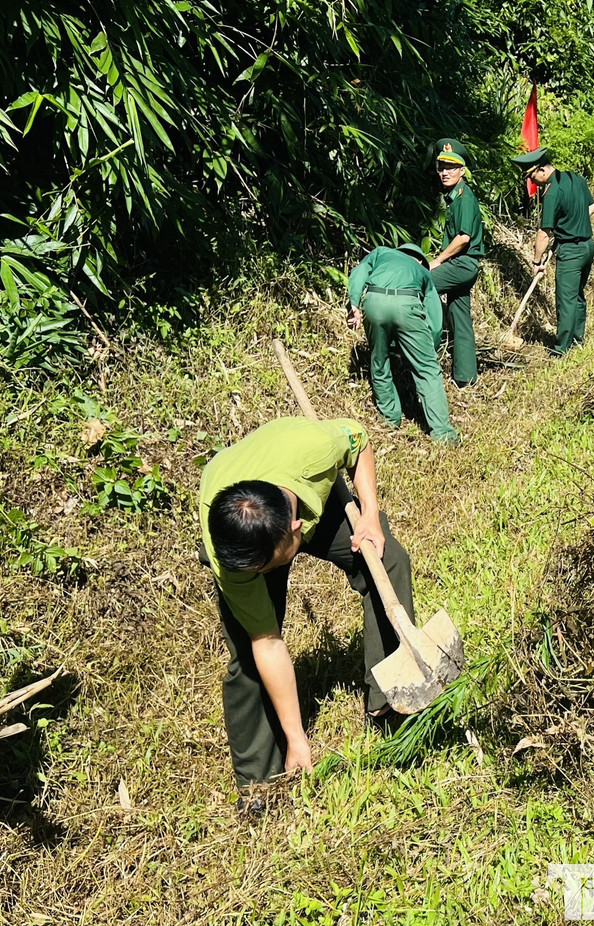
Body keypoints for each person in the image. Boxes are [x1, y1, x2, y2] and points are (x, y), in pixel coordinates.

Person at [199, 417, 409, 793]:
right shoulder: (230, 552)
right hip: (252, 528)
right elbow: (268, 643)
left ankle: (390, 700)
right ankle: (257, 784)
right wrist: (297, 736)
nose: (262, 575)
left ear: (297, 531)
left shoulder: (315, 450)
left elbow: (358, 440)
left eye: (269, 566)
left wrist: (371, 515)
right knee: (248, 654)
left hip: (307, 493)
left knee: (388, 559)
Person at [347, 244, 461, 444]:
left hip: (374, 301)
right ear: (419, 259)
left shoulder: (381, 252)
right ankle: (443, 434)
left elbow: (359, 272)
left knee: (379, 362)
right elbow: (434, 315)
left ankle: (390, 419)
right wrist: (430, 348)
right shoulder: (421, 271)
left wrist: (354, 303)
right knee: (427, 370)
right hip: (407, 304)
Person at [515, 147, 594, 356]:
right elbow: (592, 207)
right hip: (587, 246)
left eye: (532, 177)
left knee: (566, 300)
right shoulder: (576, 178)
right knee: (577, 296)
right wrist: (573, 223)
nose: (532, 182)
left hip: (570, 252)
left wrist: (536, 261)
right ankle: (578, 340)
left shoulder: (551, 192)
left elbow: (544, 233)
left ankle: (562, 348)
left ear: (541, 170)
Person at [427, 138, 484, 388]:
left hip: (463, 264)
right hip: (463, 265)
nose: (445, 172)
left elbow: (463, 238)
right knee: (460, 316)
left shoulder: (464, 197)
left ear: (462, 170)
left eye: (451, 167)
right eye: (441, 167)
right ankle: (465, 377)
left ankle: (425, 346)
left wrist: (436, 261)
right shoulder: (455, 196)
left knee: (421, 285)